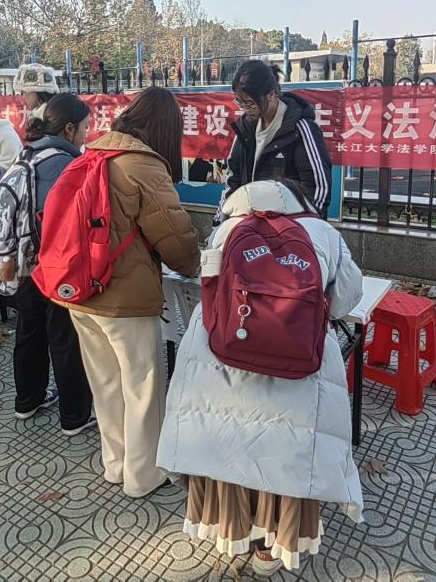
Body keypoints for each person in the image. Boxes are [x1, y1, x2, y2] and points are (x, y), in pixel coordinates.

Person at [157, 179, 365, 575]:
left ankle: (233, 533)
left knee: (228, 449)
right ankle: (273, 549)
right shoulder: (324, 234)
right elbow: (344, 301)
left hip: (223, 360)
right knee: (289, 457)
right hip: (299, 369)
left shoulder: (226, 230)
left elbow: (208, 286)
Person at [57, 86, 200, 498]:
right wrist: (194, 264)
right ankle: (144, 475)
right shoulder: (144, 165)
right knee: (142, 385)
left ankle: (115, 464)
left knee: (105, 383)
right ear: (165, 129)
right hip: (124, 298)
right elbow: (174, 237)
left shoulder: (94, 153)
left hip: (79, 290)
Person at [0, 93, 95, 434]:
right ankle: (75, 416)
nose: (86, 135)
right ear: (69, 128)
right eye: (85, 128)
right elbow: (64, 225)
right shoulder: (63, 165)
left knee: (29, 333)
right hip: (53, 268)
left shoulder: (28, 154)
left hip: (22, 265)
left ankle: (28, 400)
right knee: (64, 339)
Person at [217, 60, 332, 221]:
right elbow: (233, 179)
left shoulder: (300, 129)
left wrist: (303, 228)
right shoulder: (245, 128)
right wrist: (221, 219)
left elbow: (318, 189)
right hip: (251, 226)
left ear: (271, 95)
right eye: (239, 102)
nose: (245, 108)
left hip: (288, 229)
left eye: (250, 103)